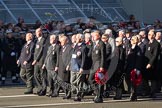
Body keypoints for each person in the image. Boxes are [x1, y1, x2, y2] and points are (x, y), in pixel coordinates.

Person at [89, 30, 106, 103]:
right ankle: (98, 93)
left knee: (100, 81)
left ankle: (99, 97)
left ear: (99, 36)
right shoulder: (93, 44)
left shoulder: (101, 43)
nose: (93, 37)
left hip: (99, 65)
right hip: (94, 65)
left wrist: (102, 66)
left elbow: (103, 56)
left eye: (95, 35)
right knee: (90, 79)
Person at [70, 33, 87, 101]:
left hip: (79, 67)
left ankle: (78, 95)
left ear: (80, 39)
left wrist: (82, 67)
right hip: (73, 66)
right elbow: (72, 57)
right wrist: (69, 64)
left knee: (79, 82)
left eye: (76, 38)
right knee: (72, 81)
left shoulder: (83, 47)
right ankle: (83, 89)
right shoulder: (75, 46)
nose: (75, 39)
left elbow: (84, 58)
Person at [125, 36, 142, 101]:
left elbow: (139, 59)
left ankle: (133, 94)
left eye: (132, 39)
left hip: (134, 67)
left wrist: (136, 68)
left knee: (133, 81)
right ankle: (132, 92)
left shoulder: (138, 48)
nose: (131, 40)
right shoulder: (130, 47)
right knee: (127, 79)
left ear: (135, 40)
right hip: (128, 66)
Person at [144, 30, 160, 98]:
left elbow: (155, 55)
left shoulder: (156, 44)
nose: (149, 36)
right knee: (146, 78)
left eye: (150, 34)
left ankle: (153, 93)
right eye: (148, 34)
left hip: (153, 64)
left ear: (154, 35)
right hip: (146, 63)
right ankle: (148, 91)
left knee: (153, 79)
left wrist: (150, 63)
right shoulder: (147, 43)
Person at [56, 34, 72, 99]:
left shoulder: (69, 47)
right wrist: (57, 66)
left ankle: (68, 93)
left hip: (65, 66)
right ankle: (66, 92)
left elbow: (70, 57)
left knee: (66, 80)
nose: (61, 42)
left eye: (62, 41)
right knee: (61, 80)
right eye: (61, 41)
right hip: (61, 66)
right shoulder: (62, 47)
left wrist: (68, 64)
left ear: (66, 41)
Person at [32, 28, 47, 96]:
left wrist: (36, 60)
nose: (36, 34)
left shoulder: (43, 40)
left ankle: (43, 89)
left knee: (42, 75)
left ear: (40, 32)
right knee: (35, 74)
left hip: (40, 60)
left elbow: (41, 51)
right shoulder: (36, 40)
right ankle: (40, 87)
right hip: (36, 61)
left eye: (37, 32)